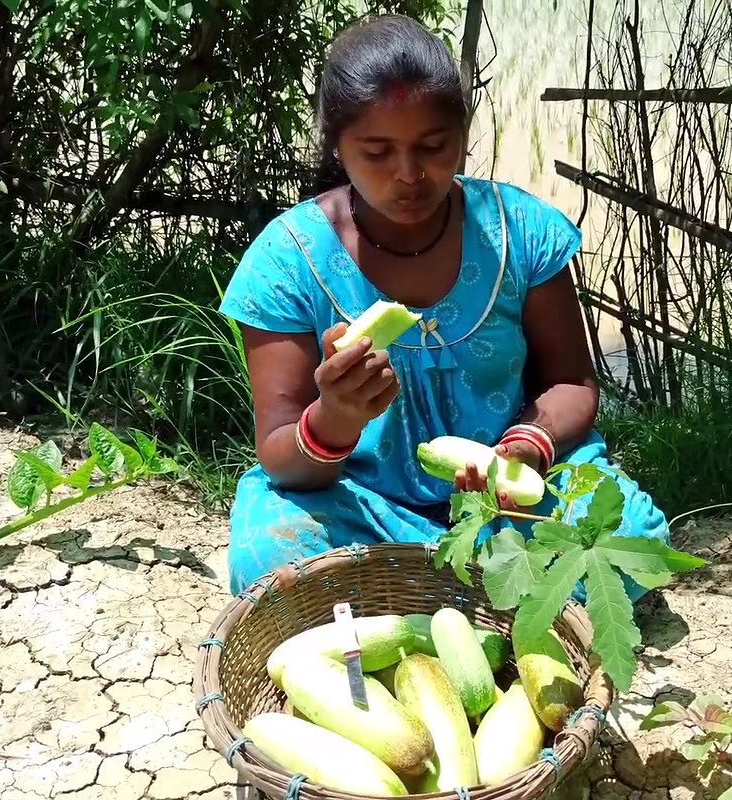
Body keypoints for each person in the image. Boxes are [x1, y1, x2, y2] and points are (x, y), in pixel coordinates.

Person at [216, 13, 670, 601]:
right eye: (377, 152)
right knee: (267, 556)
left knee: (625, 538)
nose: (409, 175)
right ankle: (484, 599)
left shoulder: (520, 233)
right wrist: (336, 419)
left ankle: (411, 596)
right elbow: (282, 457)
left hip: (510, 498)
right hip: (361, 502)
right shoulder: (287, 260)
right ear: (337, 143)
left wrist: (524, 449)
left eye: (433, 147)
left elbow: (571, 382)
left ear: (461, 133)